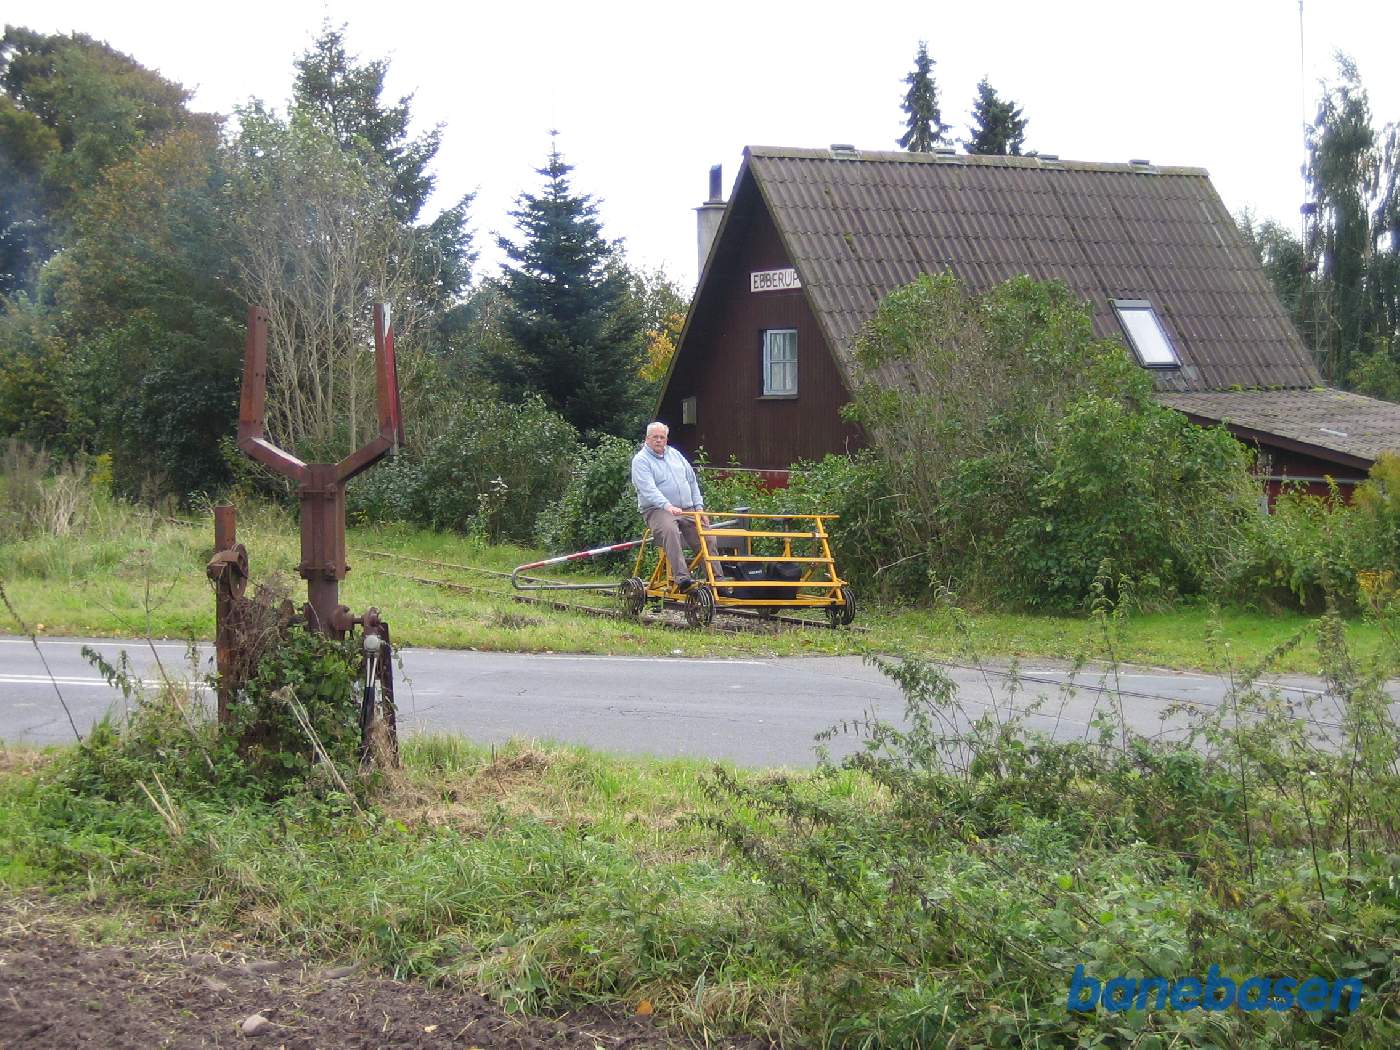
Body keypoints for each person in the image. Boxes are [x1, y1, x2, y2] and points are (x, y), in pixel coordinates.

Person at [631, 422, 714, 591]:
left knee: (707, 535)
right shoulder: (640, 460)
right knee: (670, 530)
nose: (659, 440)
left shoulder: (675, 454)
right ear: (647, 439)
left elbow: (692, 481)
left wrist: (699, 508)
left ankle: (717, 580)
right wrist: (667, 506)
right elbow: (648, 489)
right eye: (655, 437)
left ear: (666, 439)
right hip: (657, 509)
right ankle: (682, 578)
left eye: (662, 437)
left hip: (686, 508)